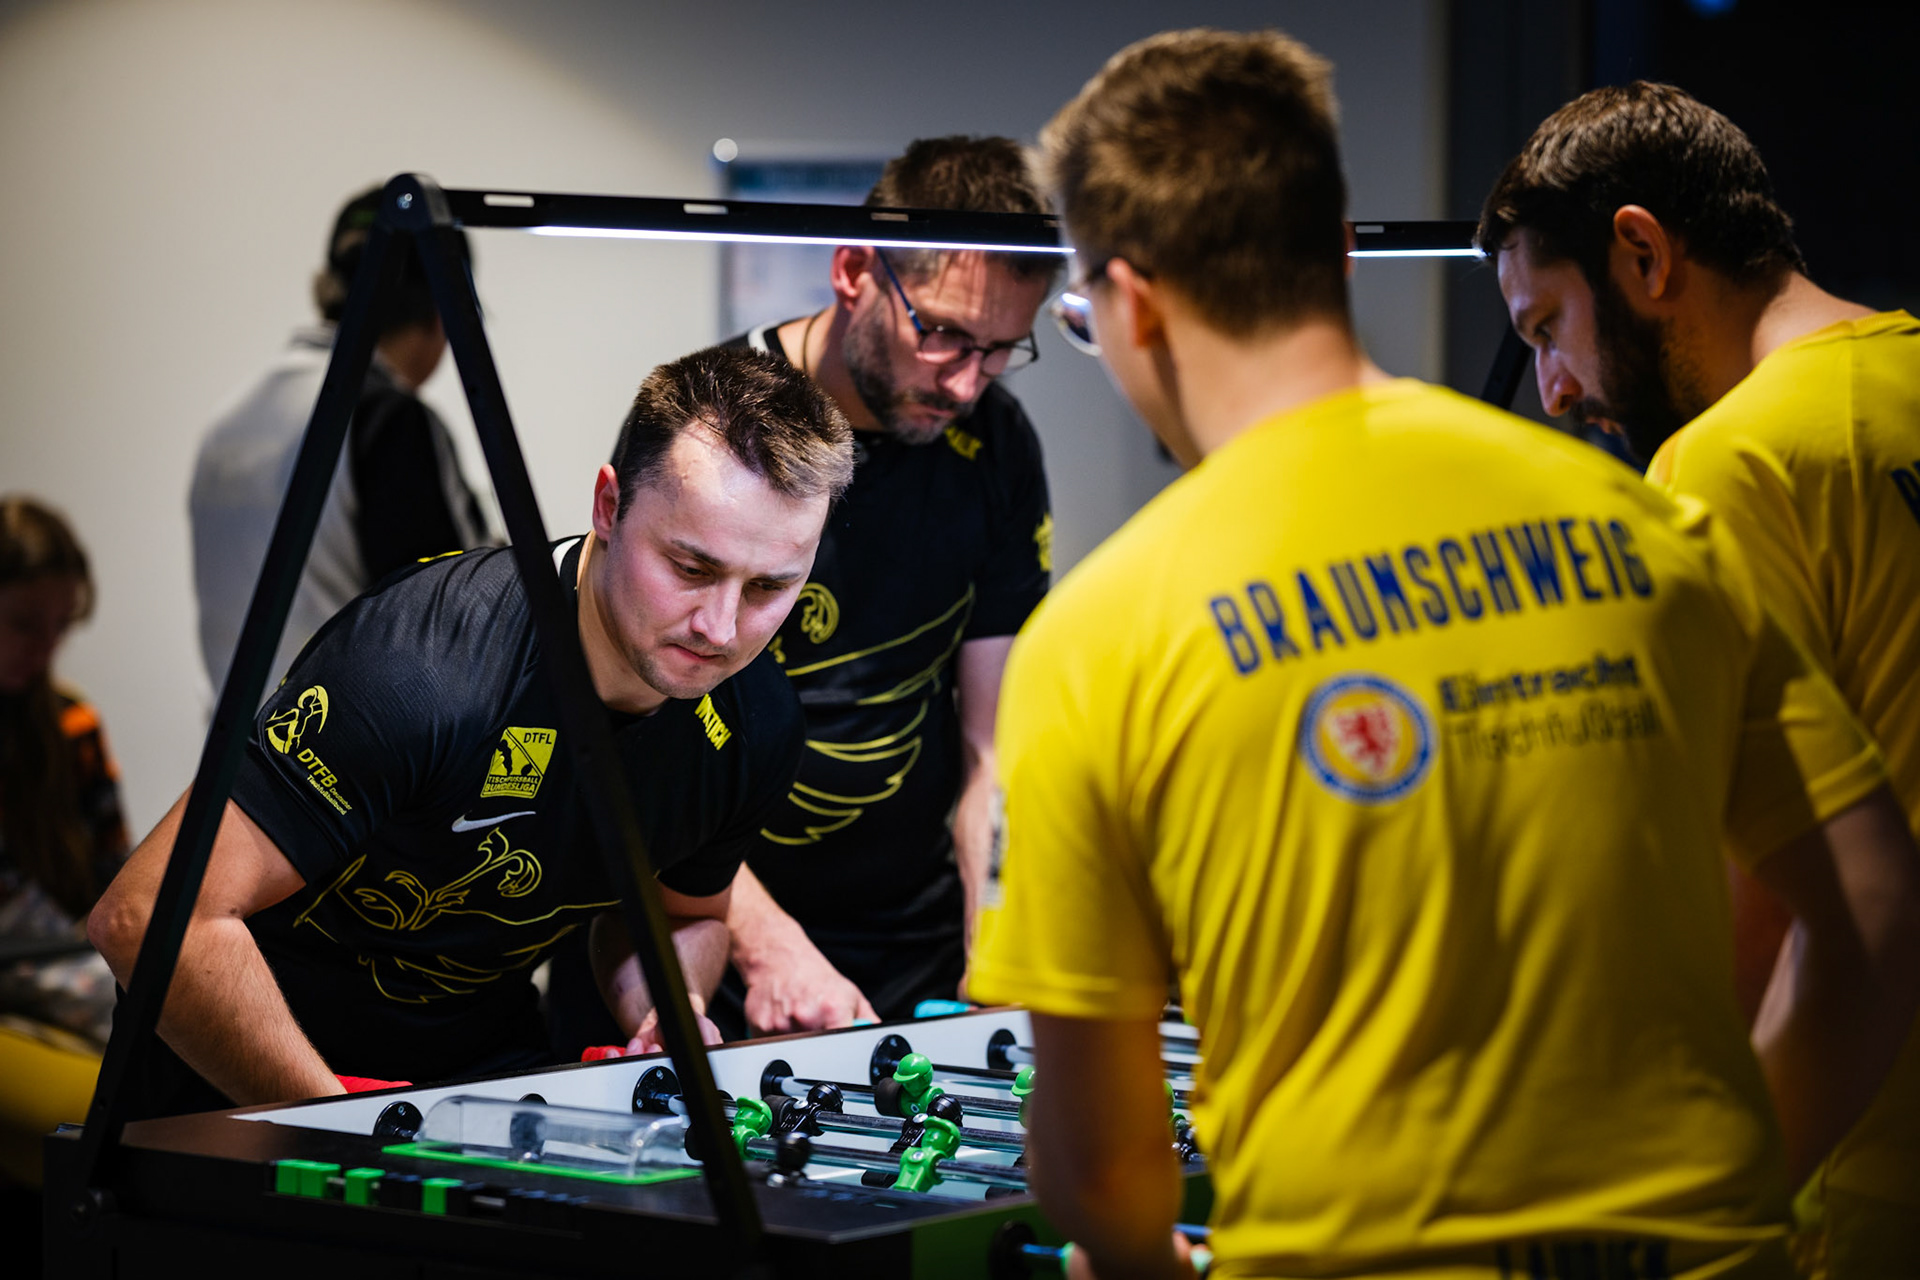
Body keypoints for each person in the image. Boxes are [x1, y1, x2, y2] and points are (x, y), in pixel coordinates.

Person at [968, 28, 1920, 1280]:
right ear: (1336, 254)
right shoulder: (1647, 520)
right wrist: (1727, 1204)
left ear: (1132, 304)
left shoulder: (1097, 635)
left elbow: (1095, 1164)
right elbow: (1876, 906)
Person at [90, 347, 853, 1117]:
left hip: (474, 1078)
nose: (721, 628)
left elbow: (684, 914)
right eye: (690, 568)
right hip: (241, 1088)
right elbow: (148, 920)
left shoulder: (754, 723)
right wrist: (335, 1125)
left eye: (768, 587)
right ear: (608, 506)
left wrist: (665, 1007)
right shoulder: (418, 669)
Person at [1477, 81, 1920, 1277]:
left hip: (1859, 1176)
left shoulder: (1729, 461)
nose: (1556, 389)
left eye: (1547, 328)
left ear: (1642, 253)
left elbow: (1750, 901)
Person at [711, 137, 1057, 1035]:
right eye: (941, 333)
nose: (966, 383)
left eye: (999, 350)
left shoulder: (998, 445)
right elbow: (631, 741)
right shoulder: (711, 424)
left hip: (913, 938)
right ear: (854, 271)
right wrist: (766, 946)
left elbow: (992, 749)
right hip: (714, 923)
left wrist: (998, 947)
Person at [190, 185, 494, 696]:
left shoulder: (227, 423)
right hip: (339, 739)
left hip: (234, 739)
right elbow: (457, 627)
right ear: (444, 316)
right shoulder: (387, 419)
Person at [0, 497, 128, 1185]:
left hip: (64, 952)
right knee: (151, 1015)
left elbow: (116, 872)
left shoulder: (73, 723)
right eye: (24, 623)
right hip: (27, 956)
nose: (45, 647)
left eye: (61, 626)